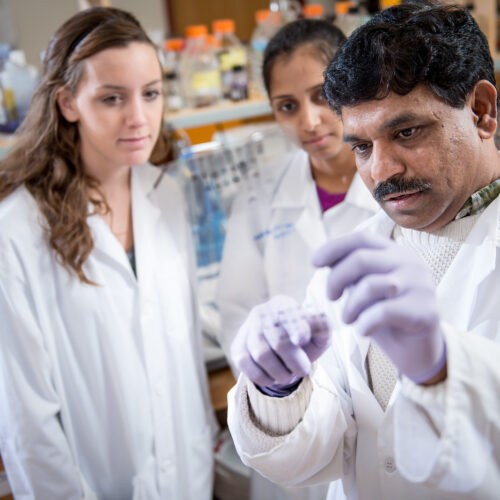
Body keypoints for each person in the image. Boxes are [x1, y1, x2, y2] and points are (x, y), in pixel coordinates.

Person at [227, 2, 500, 499]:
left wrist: (441, 367)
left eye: (406, 132)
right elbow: (326, 451)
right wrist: (279, 389)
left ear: (482, 111)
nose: (381, 171)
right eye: (361, 146)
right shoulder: (361, 250)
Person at [0, 7, 216, 500]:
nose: (139, 117)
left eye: (151, 93)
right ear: (68, 102)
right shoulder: (17, 231)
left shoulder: (166, 195)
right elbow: (26, 421)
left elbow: (181, 356)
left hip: (187, 478)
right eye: (112, 98)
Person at [217, 19, 377, 500]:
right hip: (284, 415)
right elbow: (237, 314)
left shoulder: (390, 181)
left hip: (371, 415)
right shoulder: (259, 194)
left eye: (322, 95)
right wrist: (277, 381)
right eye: (287, 107)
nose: (308, 121)